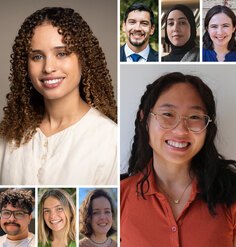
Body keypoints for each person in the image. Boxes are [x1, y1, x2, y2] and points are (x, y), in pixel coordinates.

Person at [0, 7, 117, 185]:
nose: (48, 67)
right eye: (37, 56)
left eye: (62, 53)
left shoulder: (109, 139)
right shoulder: (8, 136)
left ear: (83, 59)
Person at [120, 72, 236, 247]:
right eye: (167, 114)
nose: (181, 130)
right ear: (144, 120)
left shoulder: (231, 193)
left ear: (208, 127)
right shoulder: (117, 196)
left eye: (195, 117)